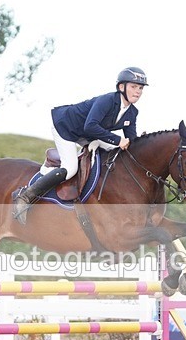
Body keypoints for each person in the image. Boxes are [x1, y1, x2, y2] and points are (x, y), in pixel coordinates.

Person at [12, 67, 148, 225]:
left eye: (140, 88)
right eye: (133, 86)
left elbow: (130, 141)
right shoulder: (107, 101)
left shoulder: (132, 113)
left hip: (89, 133)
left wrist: (139, 143)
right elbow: (90, 126)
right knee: (70, 169)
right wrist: (118, 140)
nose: (137, 91)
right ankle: (26, 196)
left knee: (114, 151)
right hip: (67, 128)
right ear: (121, 87)